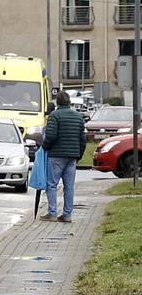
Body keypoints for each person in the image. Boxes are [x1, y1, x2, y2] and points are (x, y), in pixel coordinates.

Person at [41, 90, 85, 222]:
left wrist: (45, 147)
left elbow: (51, 136)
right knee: (69, 186)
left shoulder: (54, 116)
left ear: (57, 102)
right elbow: (82, 140)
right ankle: (67, 215)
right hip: (72, 156)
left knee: (52, 184)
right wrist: (78, 155)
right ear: (69, 102)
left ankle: (52, 213)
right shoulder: (78, 117)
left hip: (56, 155)